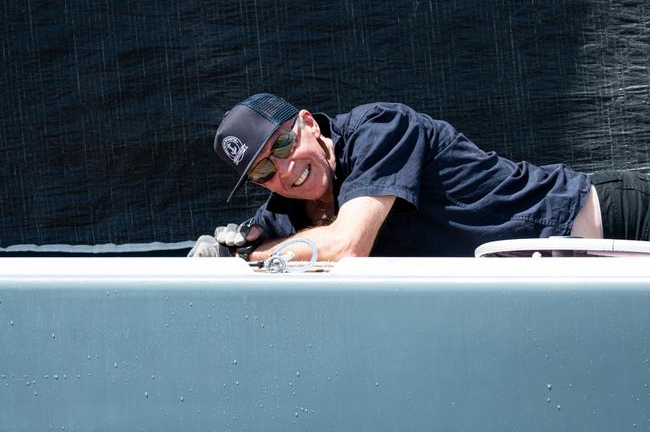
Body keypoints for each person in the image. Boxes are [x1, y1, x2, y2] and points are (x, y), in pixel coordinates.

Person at [189, 93, 650, 260]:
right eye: (264, 169)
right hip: (542, 292)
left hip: (612, 224)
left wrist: (260, 258)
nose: (286, 169)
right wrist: (219, 260)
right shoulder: (281, 214)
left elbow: (348, 245)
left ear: (309, 123)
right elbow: (237, 255)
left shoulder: (380, 129)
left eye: (285, 145)